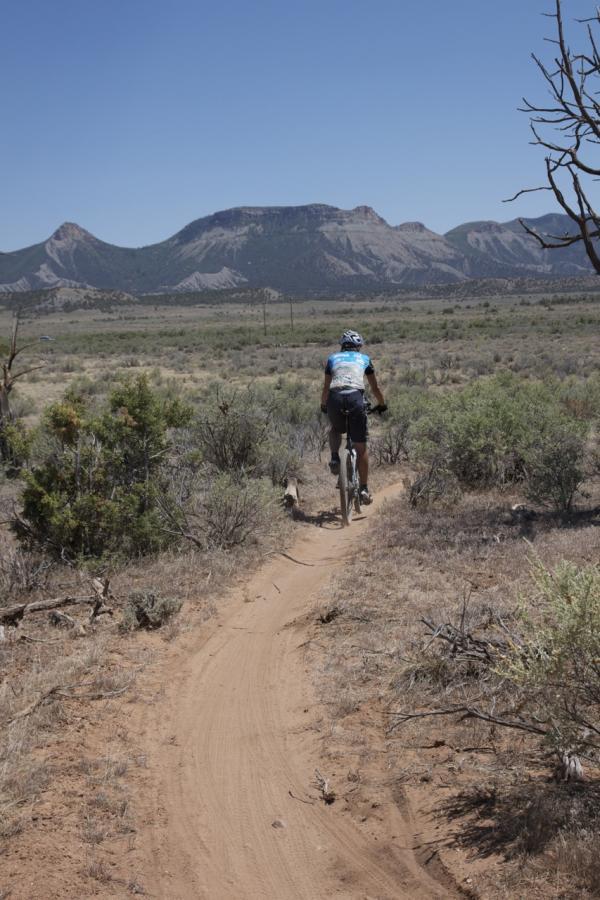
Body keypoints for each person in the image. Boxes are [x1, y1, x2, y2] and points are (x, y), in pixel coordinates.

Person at [320, 330, 386, 505]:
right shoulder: (364, 359)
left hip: (335, 398)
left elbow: (326, 387)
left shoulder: (332, 358)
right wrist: (382, 404)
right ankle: (364, 488)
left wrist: (323, 405)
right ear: (358, 346)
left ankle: (334, 457)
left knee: (335, 428)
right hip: (355, 398)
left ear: (342, 345)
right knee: (361, 446)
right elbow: (375, 388)